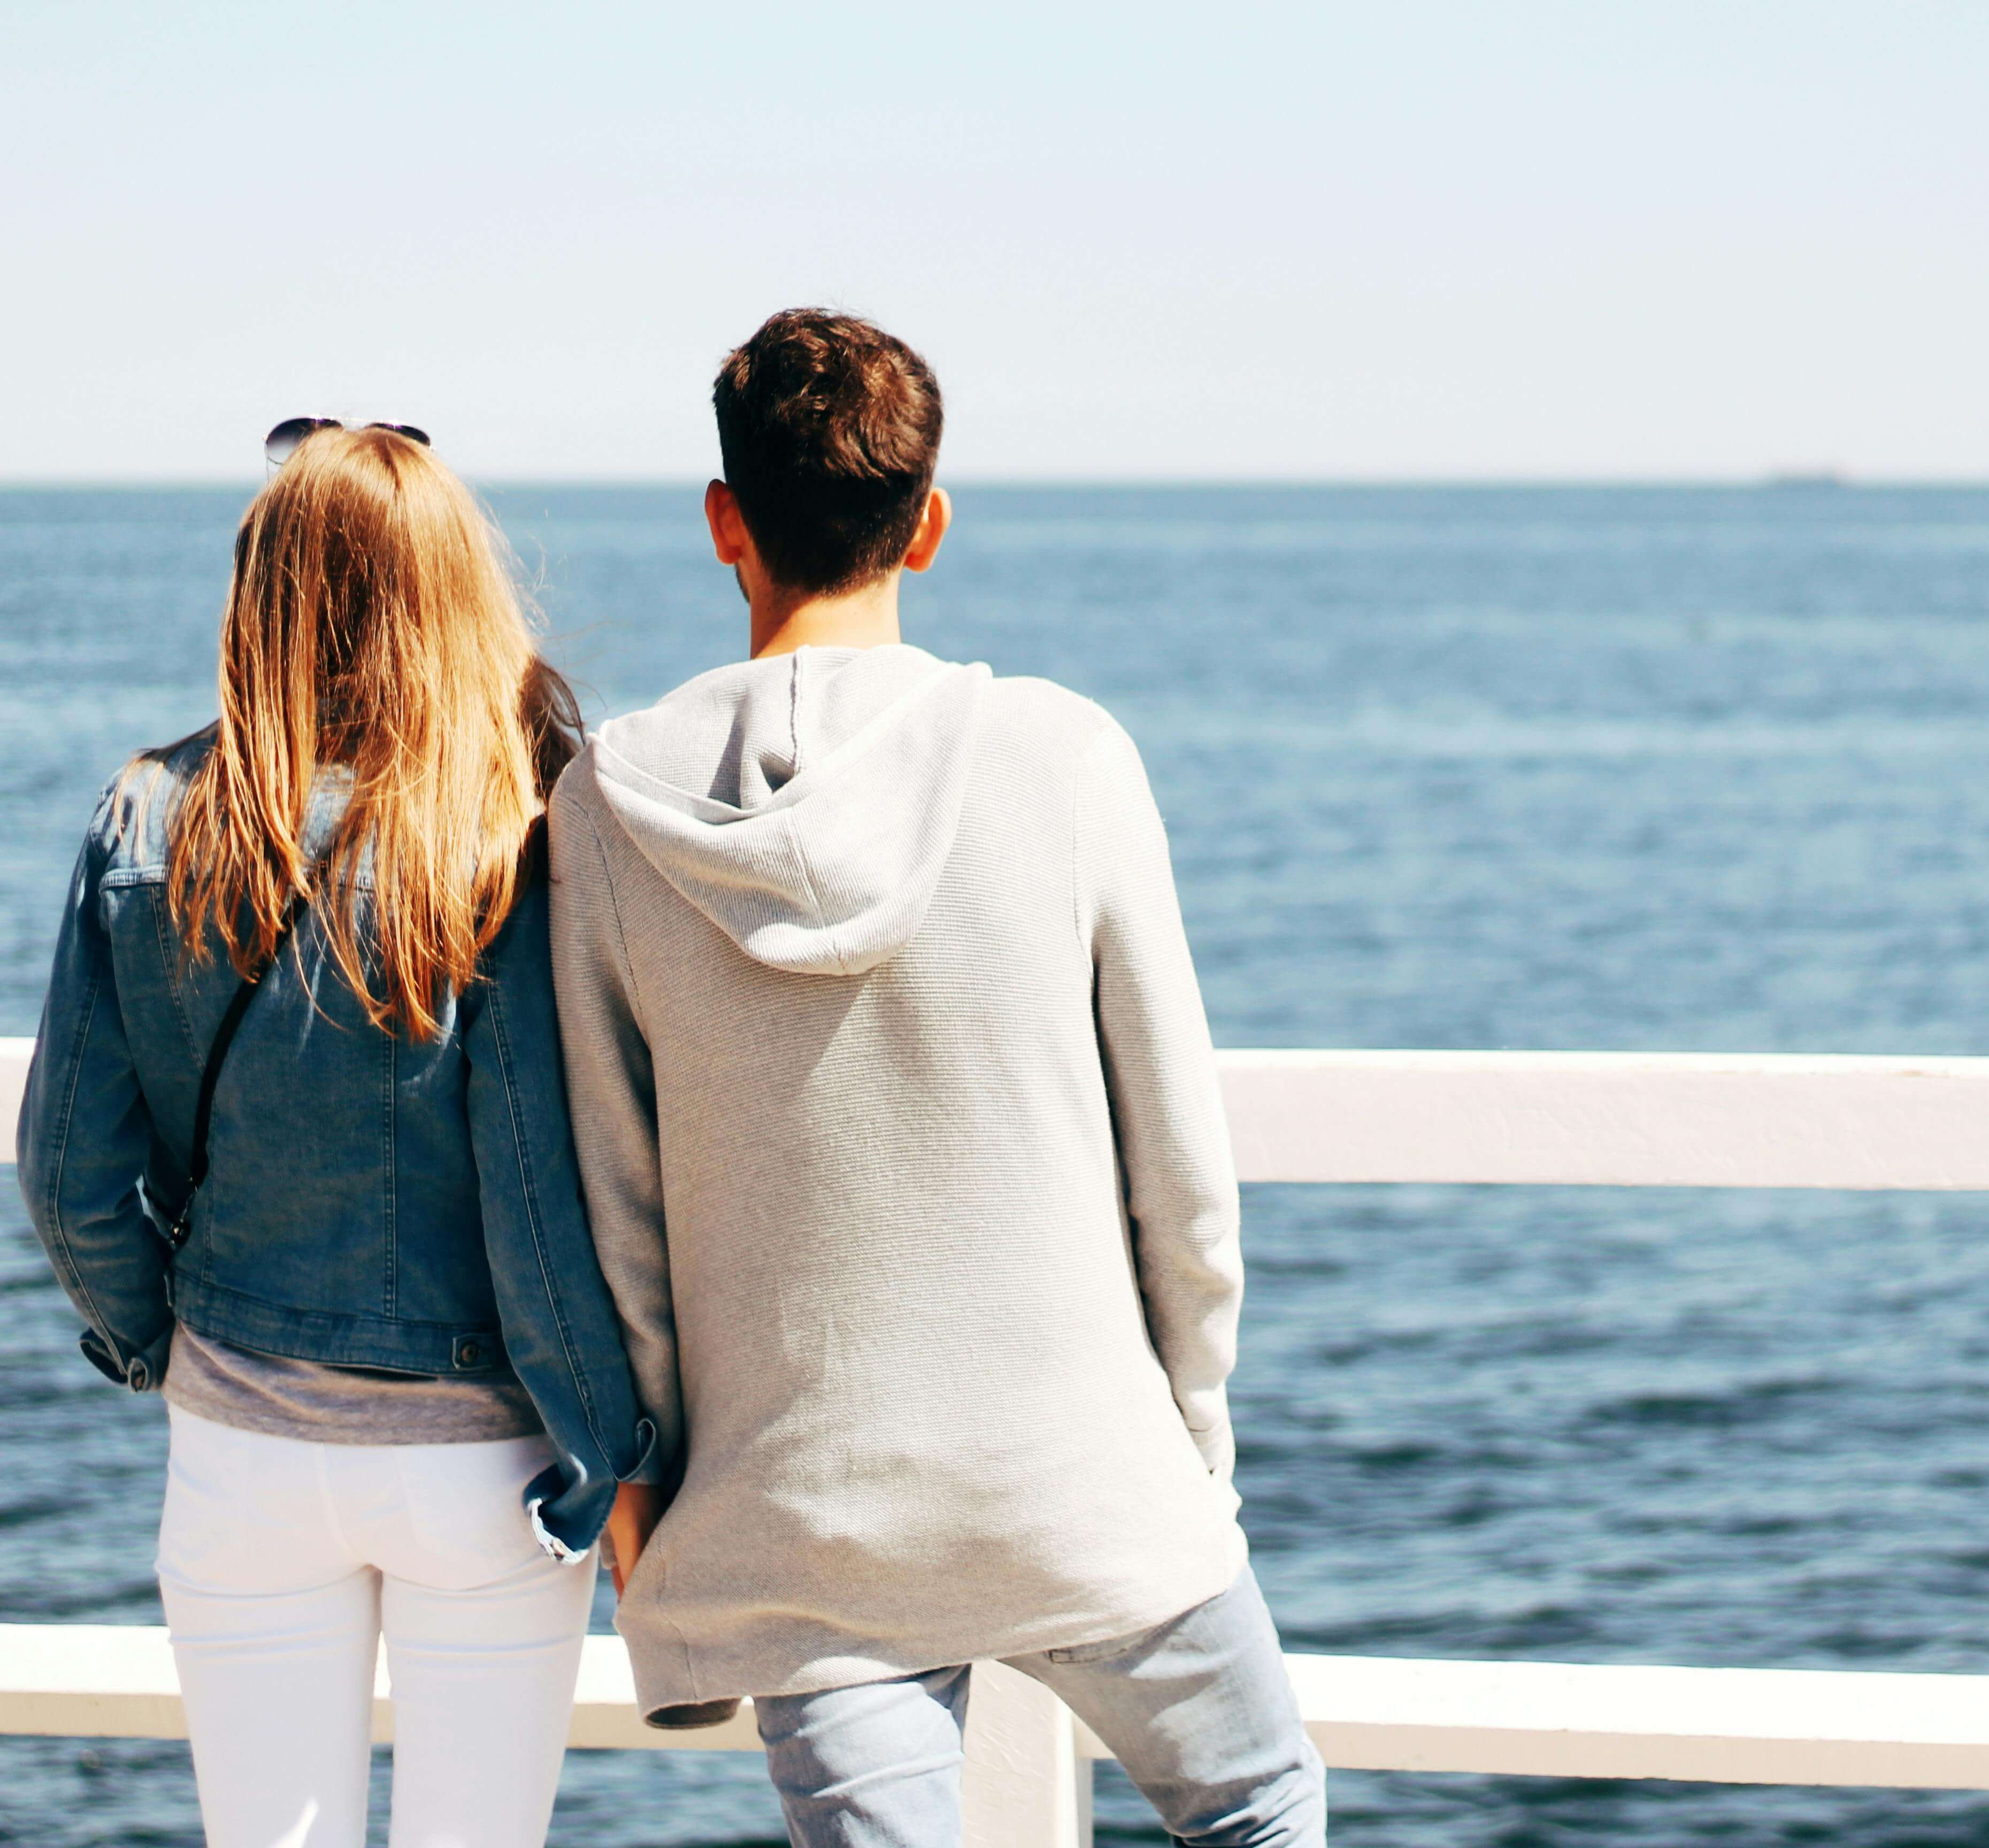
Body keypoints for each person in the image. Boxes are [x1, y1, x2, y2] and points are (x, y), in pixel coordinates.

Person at [549, 308, 1325, 1845]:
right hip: (1083, 1476)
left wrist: (654, 1481)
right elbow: (1180, 1170)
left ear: (726, 522)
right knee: (1262, 1809)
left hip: (800, 1517)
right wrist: (1191, 1446)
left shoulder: (605, 813)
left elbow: (616, 1213)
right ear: (932, 521)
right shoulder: (1066, 757)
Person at [16, 422, 652, 1848]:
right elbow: (545, 1188)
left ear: (263, 595)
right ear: (448, 592)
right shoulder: (515, 828)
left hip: (241, 1438)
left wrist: (154, 1339)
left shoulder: (151, 812)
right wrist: (605, 1437)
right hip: (480, 1456)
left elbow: (67, 1176)